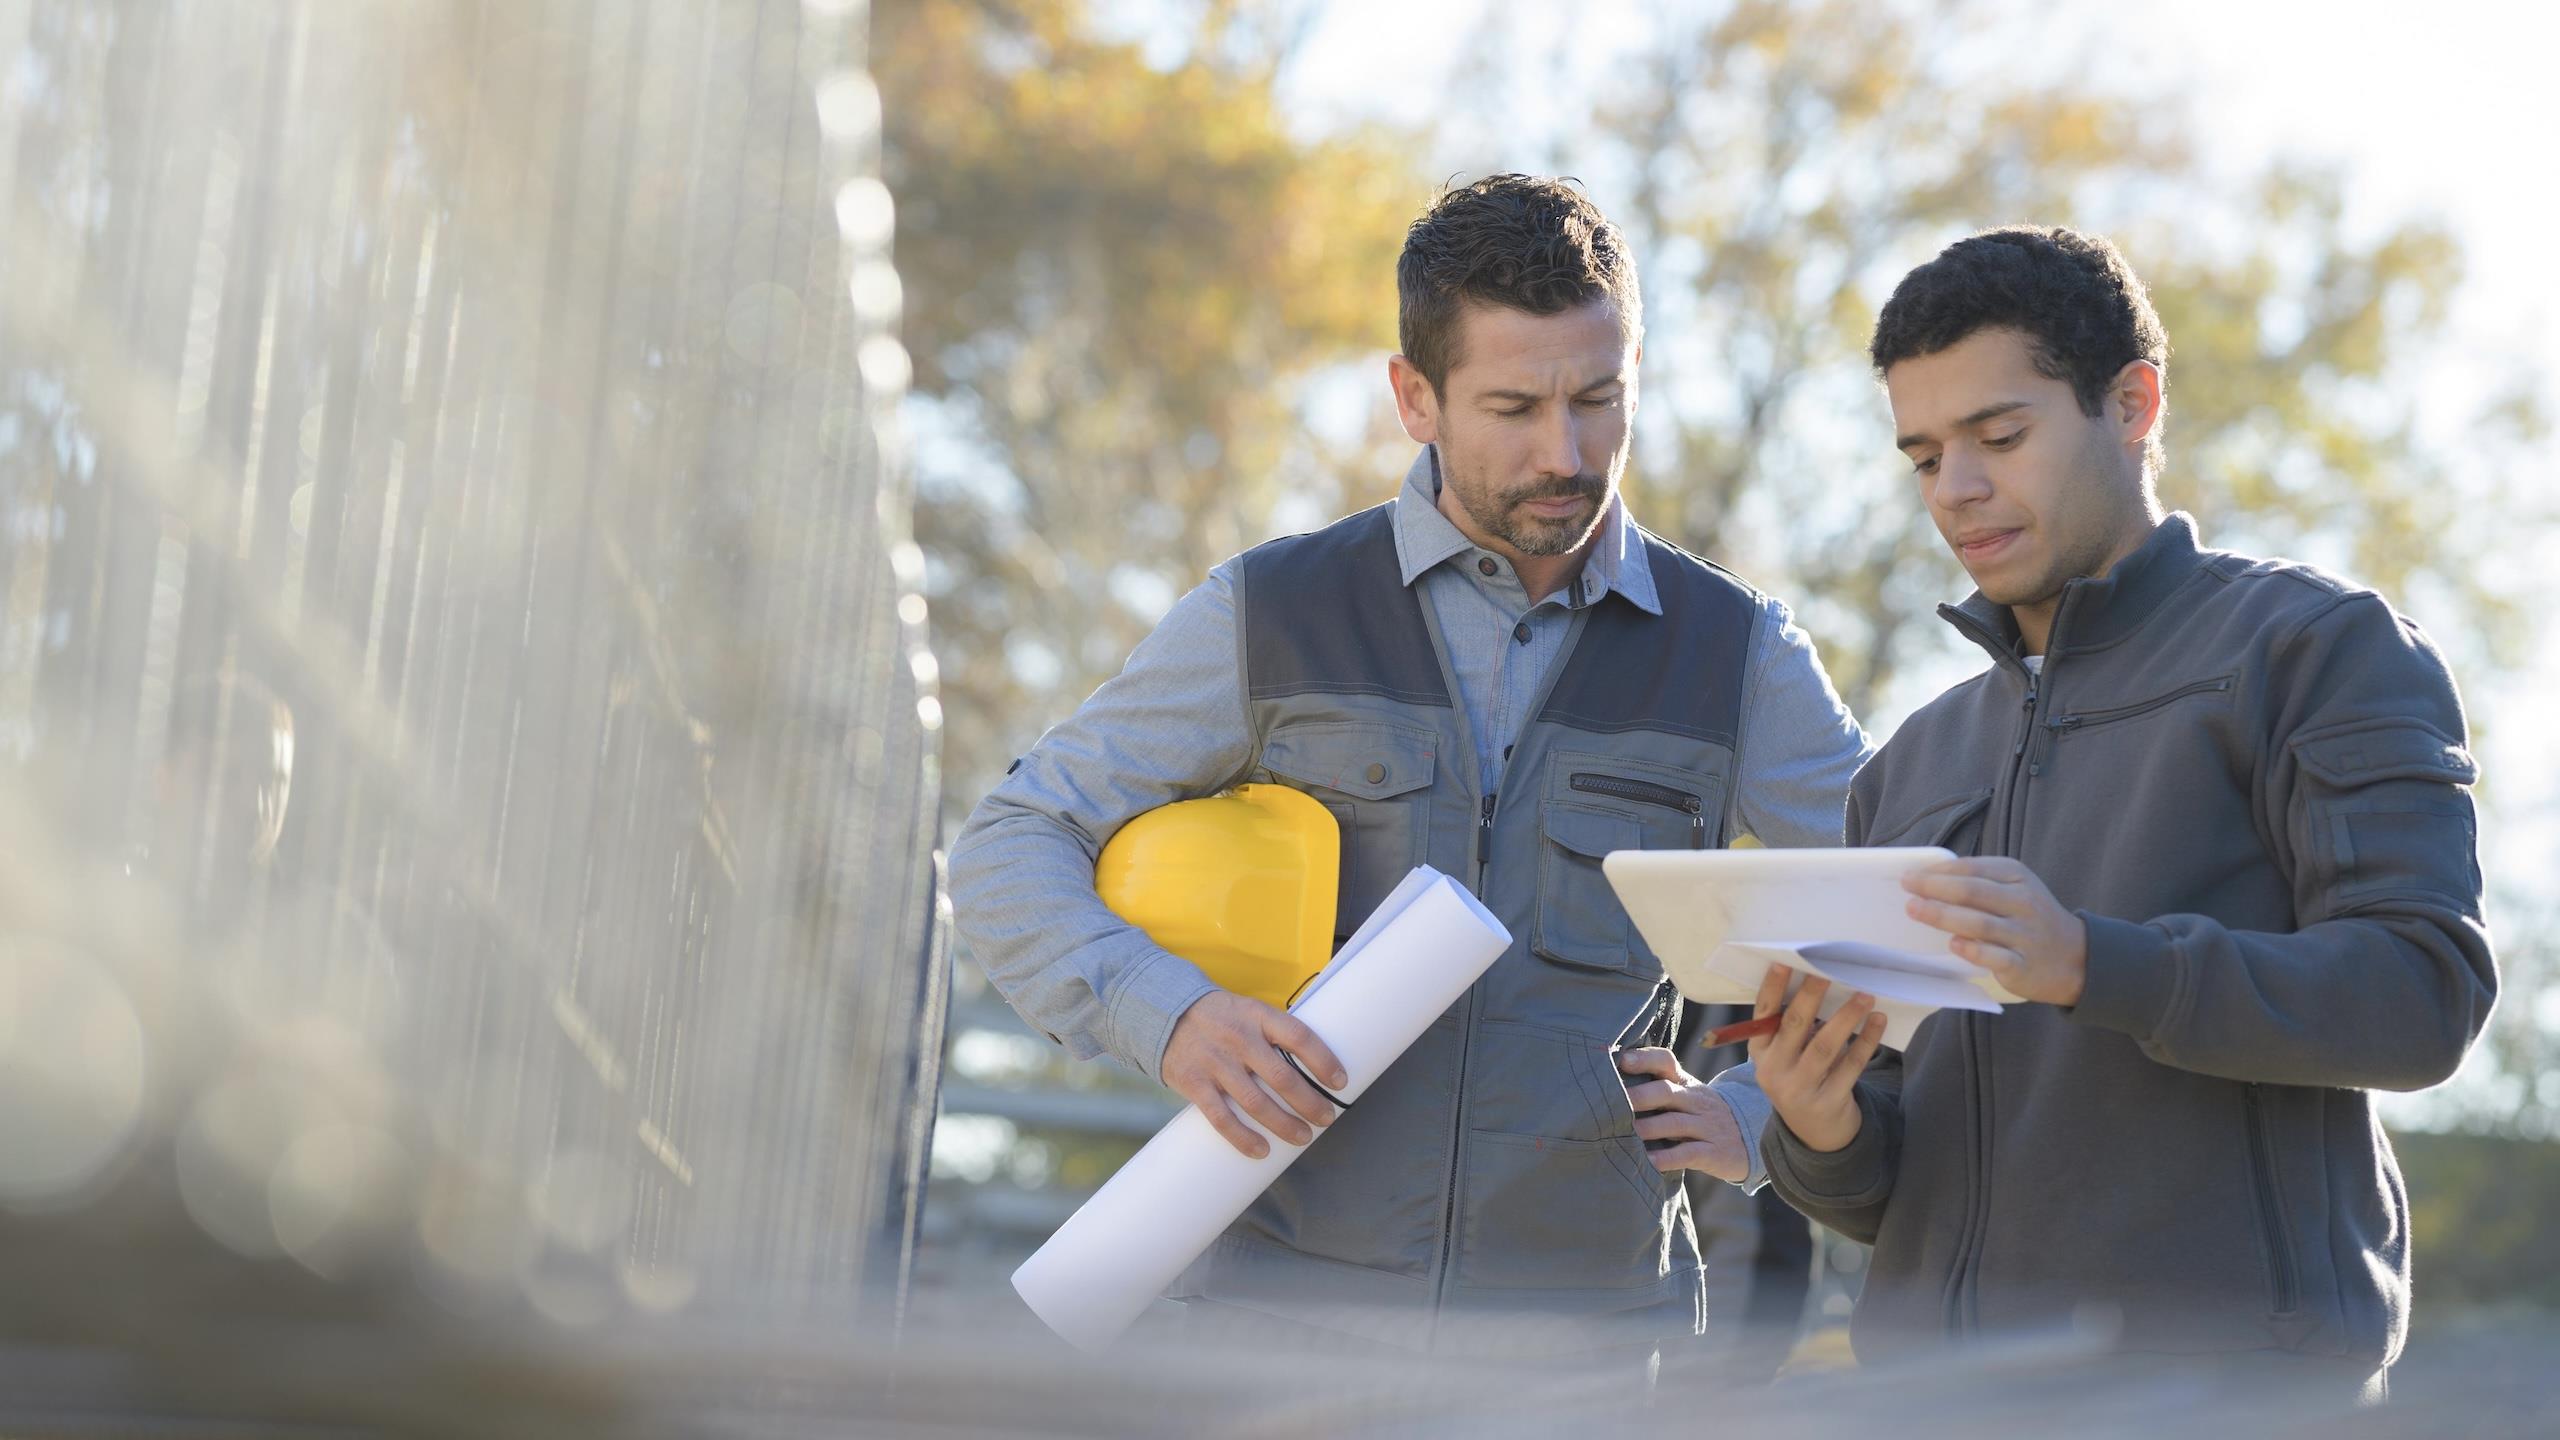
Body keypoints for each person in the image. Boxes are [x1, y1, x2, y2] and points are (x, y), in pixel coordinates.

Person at [947, 174, 1866, 1354]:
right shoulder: (1270, 613)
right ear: (1413, 397)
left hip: (1584, 1352)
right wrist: (1166, 1016)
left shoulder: (1735, 650)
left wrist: (1759, 1116)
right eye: (1512, 407)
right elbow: (1012, 843)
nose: (1566, 452)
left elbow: (1903, 912)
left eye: (1599, 399)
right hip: (1274, 1335)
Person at [1742, 226, 2496, 1400]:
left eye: (2000, 437)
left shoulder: (2315, 652)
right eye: (1925, 455)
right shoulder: (1909, 764)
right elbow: (1888, 1186)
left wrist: (2097, 963)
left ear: (2133, 405)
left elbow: (2419, 996)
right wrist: (1817, 1123)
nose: (1958, 489)